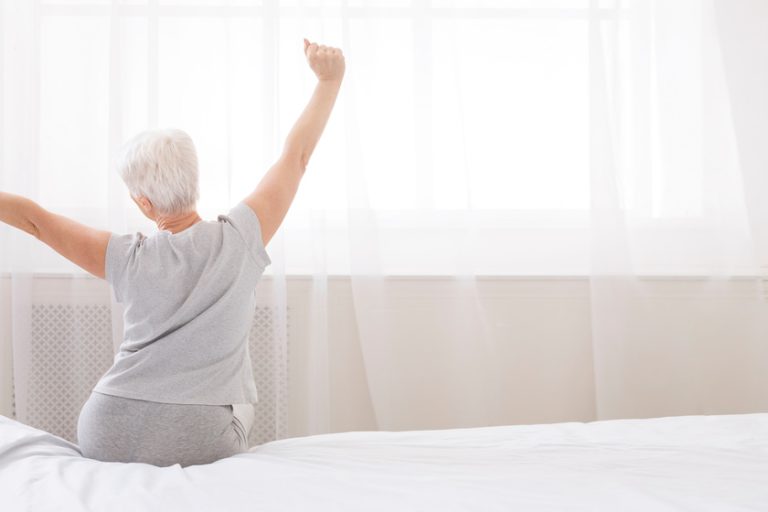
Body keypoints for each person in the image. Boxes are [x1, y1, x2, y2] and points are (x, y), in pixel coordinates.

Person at [0, 38, 345, 467]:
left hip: (106, 427)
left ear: (143, 203)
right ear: (195, 179)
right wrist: (329, 82)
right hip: (199, 435)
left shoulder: (123, 256)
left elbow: (33, 219)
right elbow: (296, 157)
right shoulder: (240, 238)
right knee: (243, 400)